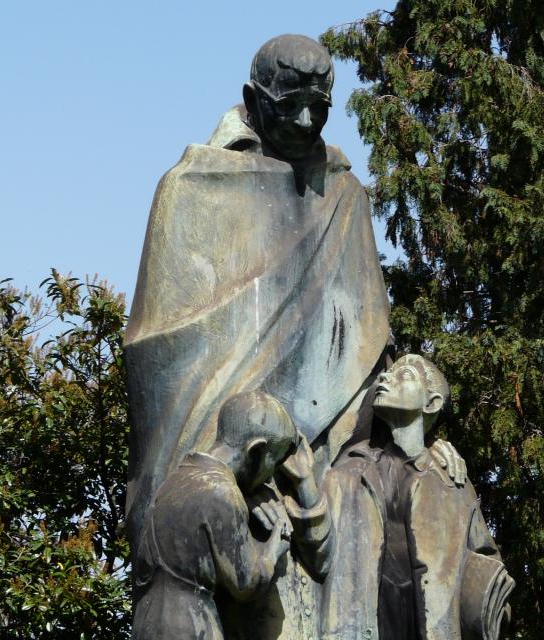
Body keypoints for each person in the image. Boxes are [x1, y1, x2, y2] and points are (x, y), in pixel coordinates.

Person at [124, 33, 390, 558]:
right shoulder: (192, 186)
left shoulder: (343, 196)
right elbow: (158, 346)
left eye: (320, 108)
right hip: (222, 455)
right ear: (252, 101)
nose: (308, 122)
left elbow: (366, 337)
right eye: (290, 106)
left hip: (320, 459)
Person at [321, 355, 515, 640]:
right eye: (389, 374)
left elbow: (489, 565)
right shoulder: (350, 469)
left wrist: (492, 613)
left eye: (406, 375)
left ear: (431, 403)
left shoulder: (453, 484)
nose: (386, 378)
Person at [132, 391, 298, 640]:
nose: (272, 475)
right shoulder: (222, 492)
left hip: (145, 622)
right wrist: (277, 544)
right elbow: (246, 583)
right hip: (191, 625)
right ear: (256, 451)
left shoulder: (176, 480)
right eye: (273, 462)